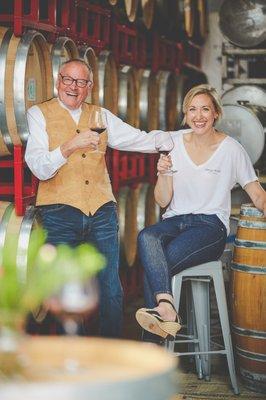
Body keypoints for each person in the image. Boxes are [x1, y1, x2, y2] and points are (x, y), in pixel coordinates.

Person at [25, 58, 160, 338]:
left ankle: (109, 355)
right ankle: (74, 361)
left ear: (90, 86)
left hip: (101, 212)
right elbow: (38, 166)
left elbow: (138, 139)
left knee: (111, 289)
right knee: (65, 290)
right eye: (68, 80)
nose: (73, 87)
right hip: (58, 213)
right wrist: (70, 146)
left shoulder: (101, 115)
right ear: (58, 81)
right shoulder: (39, 114)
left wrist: (177, 141)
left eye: (81, 82)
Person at [135, 84, 266, 342]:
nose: (198, 116)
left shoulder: (231, 149)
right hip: (174, 221)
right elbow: (162, 200)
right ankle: (167, 310)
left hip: (210, 227)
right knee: (146, 237)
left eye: (205, 109)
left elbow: (257, 194)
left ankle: (151, 346)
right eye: (192, 110)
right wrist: (163, 173)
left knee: (158, 265)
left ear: (216, 113)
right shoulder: (172, 143)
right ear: (185, 114)